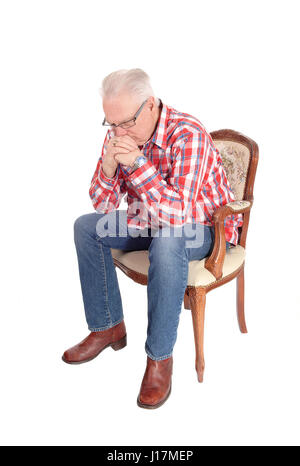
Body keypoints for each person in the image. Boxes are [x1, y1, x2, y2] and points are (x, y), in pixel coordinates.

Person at [62, 68, 243, 409]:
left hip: (201, 228)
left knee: (168, 241)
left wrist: (138, 163)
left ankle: (159, 360)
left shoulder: (188, 134)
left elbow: (179, 217)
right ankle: (107, 327)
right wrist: (109, 168)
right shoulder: (120, 131)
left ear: (149, 106)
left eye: (125, 123)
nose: (117, 133)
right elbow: (102, 205)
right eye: (110, 124)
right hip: (149, 221)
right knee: (87, 227)